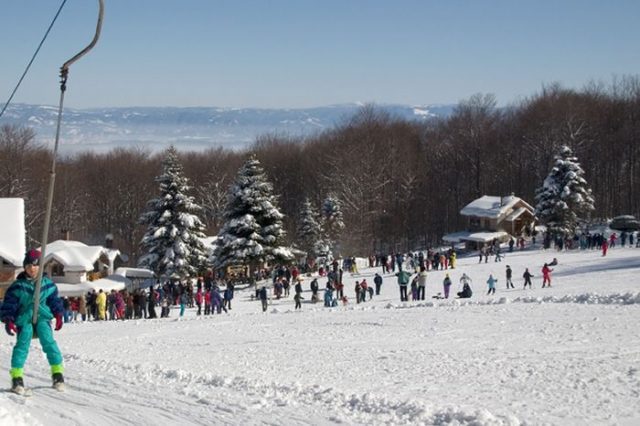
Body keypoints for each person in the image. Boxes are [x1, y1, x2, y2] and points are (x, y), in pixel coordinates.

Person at [0, 250, 65, 394]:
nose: (32, 269)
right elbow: (9, 305)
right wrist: (8, 320)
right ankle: (17, 377)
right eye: (28, 266)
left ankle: (57, 373)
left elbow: (55, 301)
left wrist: (59, 315)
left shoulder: (47, 285)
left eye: (35, 265)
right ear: (24, 267)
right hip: (24, 319)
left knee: (48, 341)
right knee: (22, 344)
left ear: (40, 267)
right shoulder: (18, 287)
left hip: (42, 317)